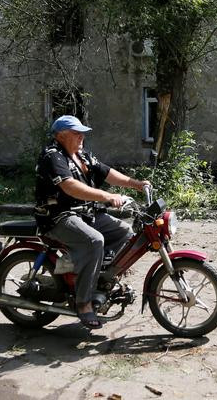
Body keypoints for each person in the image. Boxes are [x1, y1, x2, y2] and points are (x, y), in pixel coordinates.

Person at [34, 115, 150, 329]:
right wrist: (106, 196)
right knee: (94, 241)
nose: (82, 136)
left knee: (124, 232)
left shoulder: (81, 155)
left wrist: (137, 184)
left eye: (82, 132)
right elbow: (70, 187)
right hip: (59, 216)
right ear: (61, 135)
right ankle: (84, 303)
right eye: (76, 133)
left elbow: (107, 173)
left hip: (85, 213)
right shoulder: (53, 156)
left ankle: (99, 278)